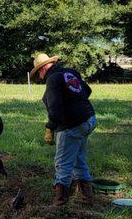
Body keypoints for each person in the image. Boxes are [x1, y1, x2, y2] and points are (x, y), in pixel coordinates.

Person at [30, 53, 97, 206]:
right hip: (89, 119)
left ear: (44, 68)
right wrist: (74, 102)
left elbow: (54, 108)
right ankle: (87, 198)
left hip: (73, 124)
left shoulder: (52, 79)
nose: (40, 77)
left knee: (62, 163)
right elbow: (87, 90)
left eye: (39, 72)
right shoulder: (70, 72)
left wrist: (50, 126)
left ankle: (60, 203)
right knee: (79, 160)